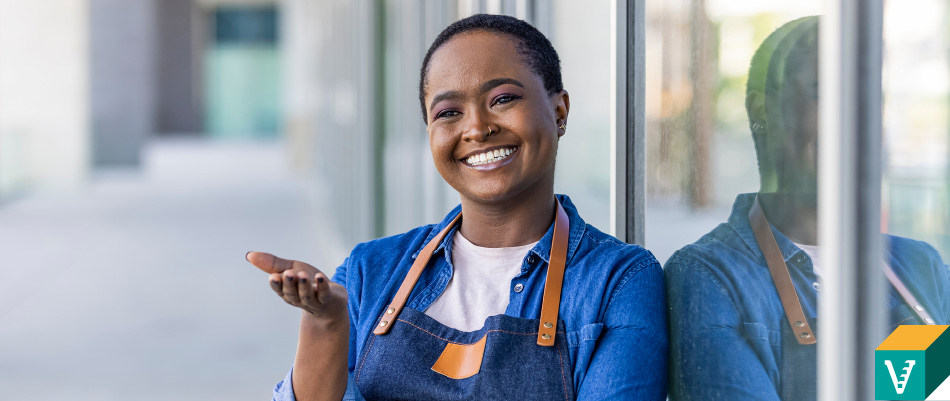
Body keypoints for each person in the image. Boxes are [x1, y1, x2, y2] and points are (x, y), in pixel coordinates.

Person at [246, 14, 668, 401]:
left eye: (502, 99)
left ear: (559, 110)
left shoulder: (619, 281)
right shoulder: (368, 272)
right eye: (449, 111)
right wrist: (327, 323)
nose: (477, 128)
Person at [665, 16, 950, 401]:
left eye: (868, 96)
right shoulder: (711, 279)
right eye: (824, 92)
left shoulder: (921, 268)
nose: (854, 118)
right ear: (762, 111)